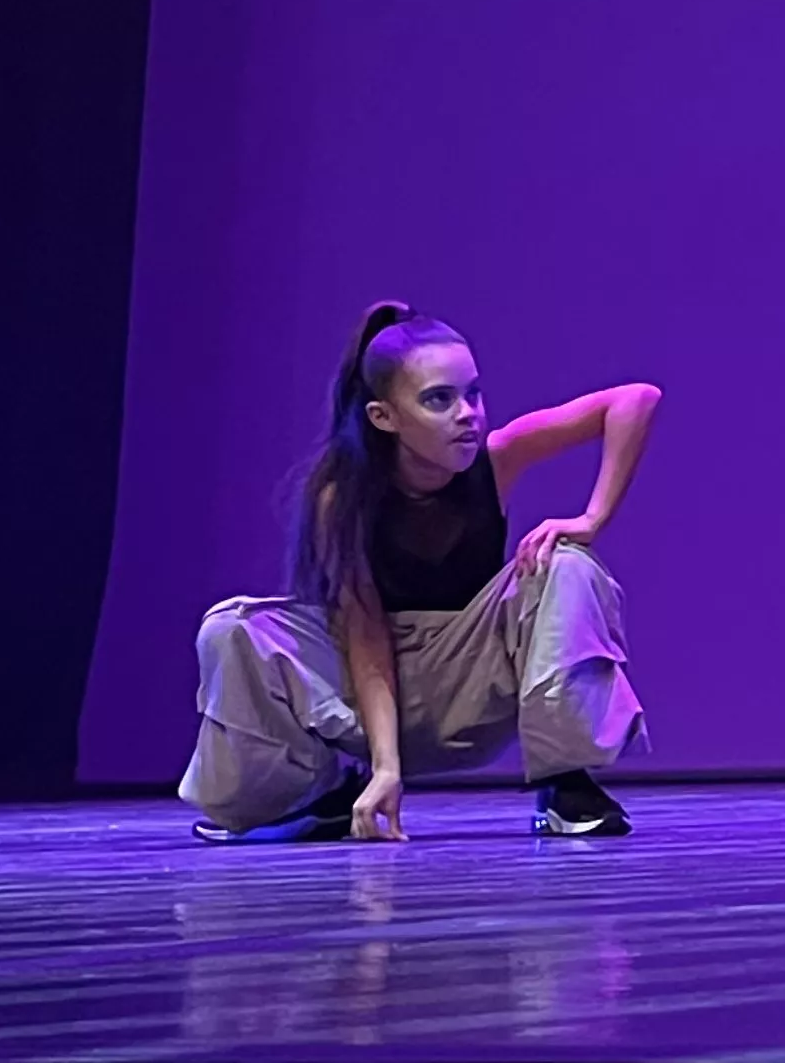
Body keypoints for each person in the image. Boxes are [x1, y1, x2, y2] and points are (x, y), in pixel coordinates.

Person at [181, 303, 659, 841]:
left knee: (567, 565)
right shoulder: (342, 496)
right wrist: (387, 768)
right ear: (383, 416)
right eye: (439, 399)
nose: (467, 414)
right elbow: (366, 638)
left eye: (473, 394)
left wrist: (592, 518)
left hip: (469, 681)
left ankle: (566, 782)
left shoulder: (496, 458)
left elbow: (634, 400)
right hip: (371, 697)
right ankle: (309, 797)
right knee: (232, 628)